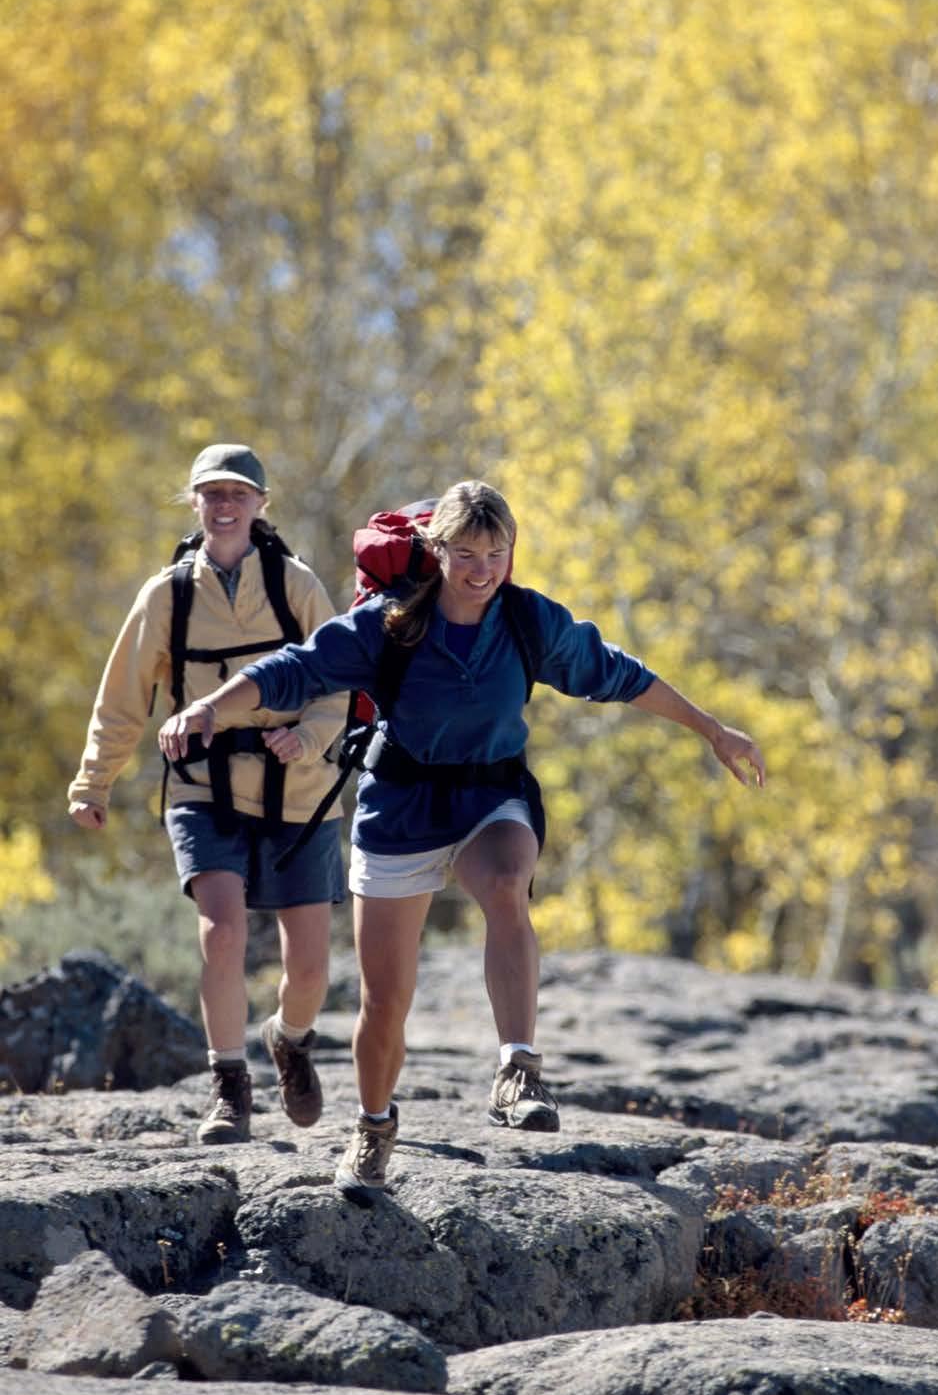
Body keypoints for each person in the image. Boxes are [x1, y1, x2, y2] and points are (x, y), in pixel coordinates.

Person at [158, 479, 765, 1194]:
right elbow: (291, 671)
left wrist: (712, 730)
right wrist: (208, 707)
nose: (482, 570)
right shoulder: (386, 626)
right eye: (467, 553)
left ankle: (517, 1068)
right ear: (436, 551)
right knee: (385, 1002)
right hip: (400, 808)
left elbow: (619, 675)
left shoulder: (528, 622)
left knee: (508, 882)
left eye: (497, 553)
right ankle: (374, 1126)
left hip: (489, 794)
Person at [69, 443, 349, 1146]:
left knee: (309, 966)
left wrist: (309, 736)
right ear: (193, 502)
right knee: (221, 932)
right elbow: (123, 698)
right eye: (211, 494)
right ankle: (229, 1087)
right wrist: (93, 781)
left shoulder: (295, 585)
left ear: (260, 505)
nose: (225, 506)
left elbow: (341, 679)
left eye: (238, 494)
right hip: (203, 785)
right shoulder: (166, 595)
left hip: (300, 787)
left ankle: (288, 1038)